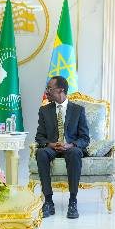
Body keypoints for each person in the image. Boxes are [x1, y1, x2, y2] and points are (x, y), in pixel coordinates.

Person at [35, 75, 90, 219]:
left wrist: (70, 145)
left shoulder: (78, 110)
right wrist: (51, 144)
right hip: (52, 147)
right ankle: (48, 201)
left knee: (75, 153)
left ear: (60, 90)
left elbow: (85, 138)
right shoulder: (44, 110)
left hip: (70, 147)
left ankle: (73, 201)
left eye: (49, 88)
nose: (46, 91)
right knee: (41, 153)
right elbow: (39, 137)